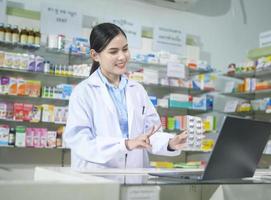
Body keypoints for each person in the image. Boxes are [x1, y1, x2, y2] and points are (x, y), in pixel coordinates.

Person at [63, 23, 187, 169]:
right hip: (98, 178)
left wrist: (170, 143)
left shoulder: (137, 90)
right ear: (95, 55)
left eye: (125, 49)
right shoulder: (83, 92)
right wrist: (125, 144)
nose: (122, 57)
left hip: (134, 177)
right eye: (113, 51)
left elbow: (151, 132)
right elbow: (80, 141)